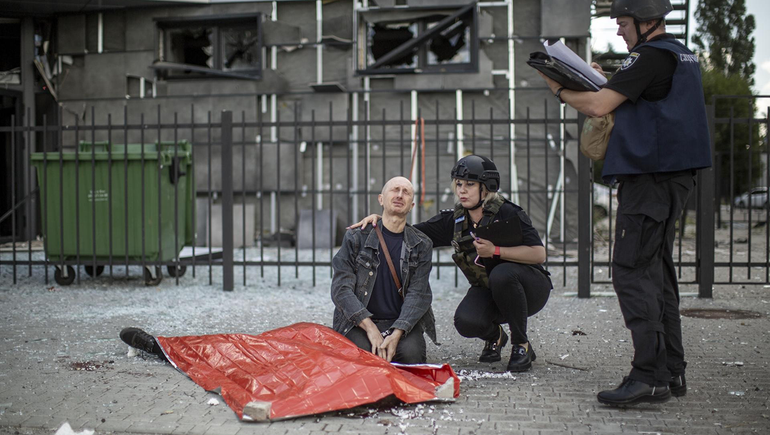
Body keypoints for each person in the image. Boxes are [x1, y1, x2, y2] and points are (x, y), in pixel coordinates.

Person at [538, 0, 711, 406]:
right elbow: (637, 96)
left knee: (631, 271)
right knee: (657, 272)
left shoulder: (649, 56)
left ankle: (649, 374)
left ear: (647, 21)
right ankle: (671, 371)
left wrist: (559, 88)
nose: (619, 31)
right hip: (672, 177)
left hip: (650, 180)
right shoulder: (679, 54)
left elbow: (599, 105)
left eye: (624, 23)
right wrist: (601, 78)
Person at [351, 156, 552, 372]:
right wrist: (382, 219)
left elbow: (539, 254)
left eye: (470, 185)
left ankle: (521, 345)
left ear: (486, 188)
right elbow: (410, 232)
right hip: (491, 289)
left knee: (503, 273)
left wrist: (495, 251)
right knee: (466, 321)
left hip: (529, 289)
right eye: (459, 184)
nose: (462, 190)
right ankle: (496, 336)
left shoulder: (508, 213)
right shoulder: (456, 221)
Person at [332, 176, 436, 364]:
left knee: (411, 357)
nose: (399, 195)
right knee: (363, 359)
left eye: (406, 192)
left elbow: (418, 294)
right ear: (381, 199)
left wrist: (397, 333)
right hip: (359, 323)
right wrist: (370, 328)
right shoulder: (356, 238)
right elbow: (341, 290)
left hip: (399, 322)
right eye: (394, 190)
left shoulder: (421, 245)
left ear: (411, 205)